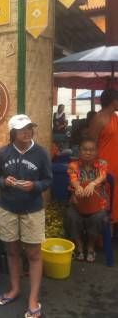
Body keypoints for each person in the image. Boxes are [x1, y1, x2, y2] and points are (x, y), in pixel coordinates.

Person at [0, 114, 52, 318]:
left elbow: (48, 180)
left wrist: (35, 186)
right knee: (12, 252)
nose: (27, 132)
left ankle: (33, 299)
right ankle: (15, 289)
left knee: (34, 254)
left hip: (32, 210)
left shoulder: (41, 153)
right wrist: (4, 182)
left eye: (29, 128)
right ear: (13, 133)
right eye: (22, 129)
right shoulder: (2, 153)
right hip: (7, 208)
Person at [66, 138, 108, 263]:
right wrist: (78, 186)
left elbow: (103, 175)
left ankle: (90, 247)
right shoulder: (73, 165)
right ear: (80, 151)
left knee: (98, 218)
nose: (88, 153)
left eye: (91, 150)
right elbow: (73, 179)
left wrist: (93, 184)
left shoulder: (101, 163)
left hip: (97, 205)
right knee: (71, 216)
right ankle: (79, 247)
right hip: (78, 203)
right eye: (85, 150)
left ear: (96, 152)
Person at [88, 89, 118, 222]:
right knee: (104, 201)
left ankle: (112, 228)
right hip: (103, 166)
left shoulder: (115, 117)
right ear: (114, 102)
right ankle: (101, 238)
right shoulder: (98, 119)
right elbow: (90, 145)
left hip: (115, 163)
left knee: (114, 199)